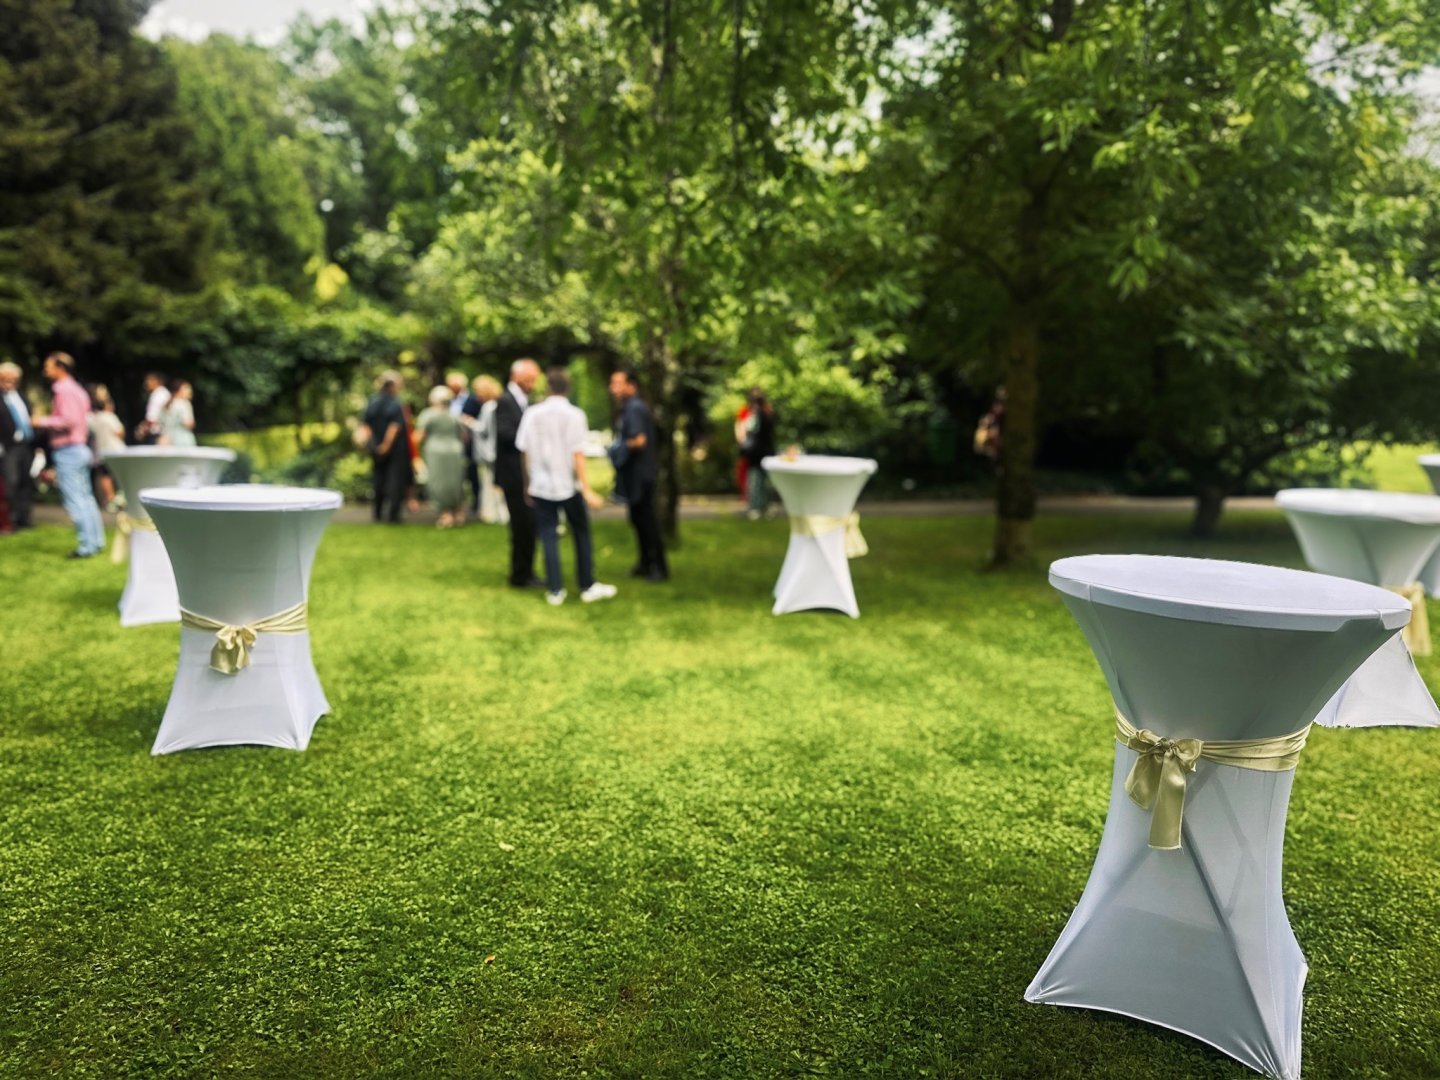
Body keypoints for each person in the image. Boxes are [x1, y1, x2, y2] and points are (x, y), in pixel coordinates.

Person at [515, 367, 616, 606]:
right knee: (581, 533)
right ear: (567, 388)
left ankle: (555, 589)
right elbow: (577, 453)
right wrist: (586, 488)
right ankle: (586, 584)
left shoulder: (532, 414)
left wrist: (527, 484)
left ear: (548, 387)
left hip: (541, 485)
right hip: (568, 485)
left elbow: (524, 451)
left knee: (548, 535)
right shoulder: (575, 415)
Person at [34, 353, 105, 558]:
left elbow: (68, 420)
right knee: (86, 498)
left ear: (60, 367)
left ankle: (86, 547)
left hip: (69, 451)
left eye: (48, 366)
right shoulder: (78, 390)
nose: (45, 370)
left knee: (75, 500)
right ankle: (95, 542)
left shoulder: (63, 390)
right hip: (80, 448)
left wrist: (41, 421)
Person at [608, 368, 669, 581]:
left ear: (631, 386)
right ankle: (645, 563)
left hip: (641, 474)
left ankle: (658, 567)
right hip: (638, 473)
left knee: (647, 521)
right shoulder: (630, 408)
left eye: (617, 384)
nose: (612, 389)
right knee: (637, 519)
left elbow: (640, 440)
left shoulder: (634, 408)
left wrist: (618, 449)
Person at [495, 358, 541, 587]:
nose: (533, 383)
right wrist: (533, 436)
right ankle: (521, 575)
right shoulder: (506, 400)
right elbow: (505, 433)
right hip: (513, 475)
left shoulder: (523, 401)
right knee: (521, 525)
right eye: (529, 378)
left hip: (523, 474)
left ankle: (526, 571)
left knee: (528, 526)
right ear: (517, 376)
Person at [360, 370, 411, 523]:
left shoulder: (372, 401)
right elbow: (394, 427)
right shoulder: (396, 403)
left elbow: (366, 425)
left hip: (375, 448)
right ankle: (393, 515)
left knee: (378, 479)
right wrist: (386, 445)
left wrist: (373, 444)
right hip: (395, 449)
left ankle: (377, 513)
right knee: (395, 481)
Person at [416, 384, 467, 528]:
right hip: (454, 450)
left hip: (435, 451)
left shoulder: (428, 414)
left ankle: (445, 514)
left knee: (438, 482)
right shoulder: (454, 414)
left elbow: (419, 436)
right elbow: (463, 435)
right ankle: (458, 512)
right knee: (456, 481)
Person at [0, 361, 35, 531]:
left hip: (26, 445)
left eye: (12, 379)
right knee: (11, 482)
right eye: (5, 379)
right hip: (8, 446)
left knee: (26, 481)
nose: (9, 383)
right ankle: (10, 519)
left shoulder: (21, 397)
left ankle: (24, 518)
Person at [471, 375, 508, 525]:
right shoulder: (498, 404)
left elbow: (483, 429)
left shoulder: (488, 407)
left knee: (490, 484)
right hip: (497, 451)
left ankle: (493, 513)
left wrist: (469, 422)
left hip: (489, 452)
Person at [446, 370, 481, 518]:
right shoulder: (447, 401)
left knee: (472, 471)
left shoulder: (473, 399)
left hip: (470, 441)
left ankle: (476, 501)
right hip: (451, 441)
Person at [740, 387, 777, 520]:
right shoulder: (768, 411)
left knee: (757, 479)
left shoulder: (755, 413)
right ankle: (763, 506)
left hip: (756, 452)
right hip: (764, 451)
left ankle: (757, 507)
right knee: (763, 480)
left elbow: (746, 429)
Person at [88, 384, 127, 511]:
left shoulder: (95, 418)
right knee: (120, 475)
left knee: (105, 476)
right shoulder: (110, 417)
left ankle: (110, 499)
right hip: (116, 451)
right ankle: (122, 497)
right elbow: (119, 432)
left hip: (101, 451)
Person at [158, 380, 196, 446]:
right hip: (182, 439)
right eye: (186, 389)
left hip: (166, 439)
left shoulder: (166, 404)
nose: (189, 391)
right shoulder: (184, 404)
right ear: (178, 391)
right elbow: (188, 423)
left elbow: (160, 422)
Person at [136, 372, 170, 444]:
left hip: (156, 432)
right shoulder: (165, 393)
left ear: (156, 381)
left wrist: (143, 429)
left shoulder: (157, 394)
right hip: (165, 431)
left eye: (148, 381)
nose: (145, 384)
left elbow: (152, 417)